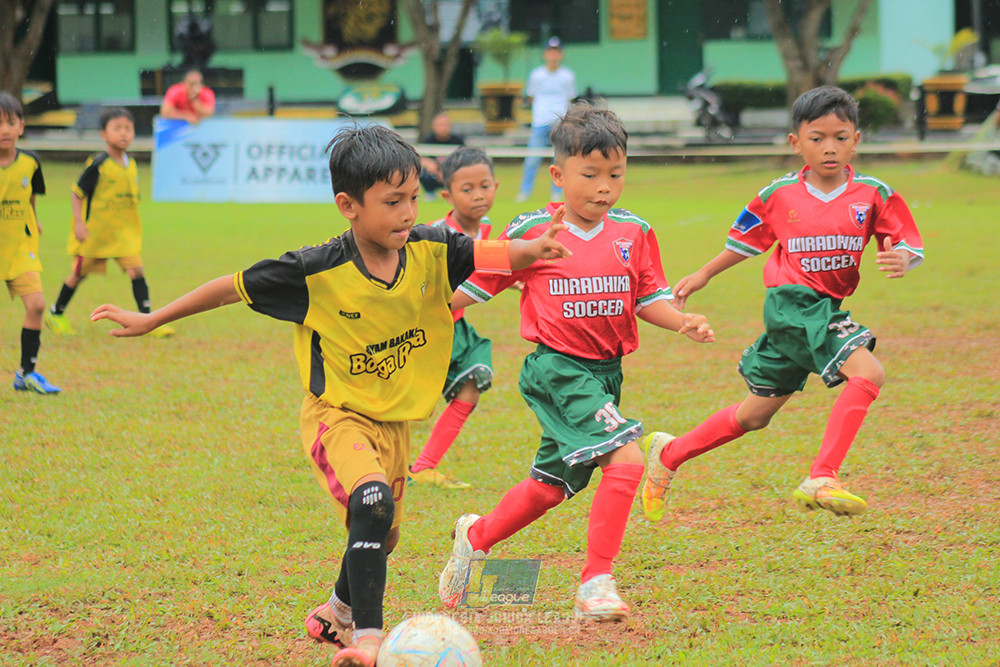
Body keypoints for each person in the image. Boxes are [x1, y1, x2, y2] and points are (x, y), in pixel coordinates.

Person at [90, 123, 570, 666]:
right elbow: (231, 286)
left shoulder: (433, 249)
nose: (409, 213)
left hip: (396, 423)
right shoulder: (314, 269)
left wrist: (535, 247)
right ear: (348, 205)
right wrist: (153, 318)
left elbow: (492, 253)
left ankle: (336, 611)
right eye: (392, 202)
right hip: (337, 416)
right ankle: (367, 639)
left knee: (380, 538)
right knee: (372, 503)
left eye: (413, 197)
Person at [438, 103, 715, 622]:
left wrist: (682, 321)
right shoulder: (535, 229)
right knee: (627, 460)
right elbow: (473, 289)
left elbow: (647, 296)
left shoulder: (634, 231)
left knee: (550, 488)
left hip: (606, 374)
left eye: (616, 174)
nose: (604, 186)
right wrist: (423, 316)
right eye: (590, 175)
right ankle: (596, 583)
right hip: (556, 369)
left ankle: (475, 538)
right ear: (560, 175)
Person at [640, 86, 925, 523]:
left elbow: (903, 239)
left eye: (840, 137)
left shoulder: (873, 193)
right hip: (791, 304)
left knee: (755, 415)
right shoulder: (778, 195)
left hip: (822, 307)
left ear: (857, 139)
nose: (829, 148)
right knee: (869, 372)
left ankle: (669, 454)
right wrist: (704, 274)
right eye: (817, 138)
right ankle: (822, 476)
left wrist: (902, 257)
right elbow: (745, 242)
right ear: (796, 142)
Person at [409, 147, 498, 489]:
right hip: (422, 330)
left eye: (485, 186)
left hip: (455, 327)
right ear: (447, 195)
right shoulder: (433, 235)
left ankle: (425, 466)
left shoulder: (488, 230)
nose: (478, 196)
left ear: (496, 186)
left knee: (471, 386)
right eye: (467, 189)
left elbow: (492, 268)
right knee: (406, 401)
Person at [44, 108, 173, 339]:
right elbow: (77, 194)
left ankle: (148, 319)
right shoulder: (98, 164)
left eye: (128, 128)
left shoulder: (131, 164)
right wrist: (78, 224)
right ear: (104, 134)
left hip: (123, 235)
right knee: (79, 274)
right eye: (117, 128)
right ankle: (56, 313)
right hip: (96, 235)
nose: (123, 133)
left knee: (137, 271)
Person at [0, 92, 60, 394]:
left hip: (20, 247)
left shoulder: (31, 162)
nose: (4, 130)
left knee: (36, 305)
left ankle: (27, 372)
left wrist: (33, 218)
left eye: (10, 123)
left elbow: (30, 196)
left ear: (21, 126)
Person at [516, 36, 576, 203]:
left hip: (559, 121)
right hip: (540, 121)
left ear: (561, 54)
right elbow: (531, 97)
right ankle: (524, 192)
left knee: (559, 158)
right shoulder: (537, 75)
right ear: (545, 54)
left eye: (556, 52)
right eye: (550, 52)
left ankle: (556, 192)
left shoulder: (567, 76)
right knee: (532, 158)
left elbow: (570, 98)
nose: (553, 56)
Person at [418, 112, 465, 201]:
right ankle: (430, 193)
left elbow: (464, 159)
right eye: (440, 125)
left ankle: (455, 193)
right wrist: (433, 167)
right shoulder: (428, 140)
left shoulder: (457, 141)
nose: (443, 128)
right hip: (433, 174)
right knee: (422, 172)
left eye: (445, 125)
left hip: (451, 174)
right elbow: (421, 159)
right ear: (434, 126)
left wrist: (446, 172)